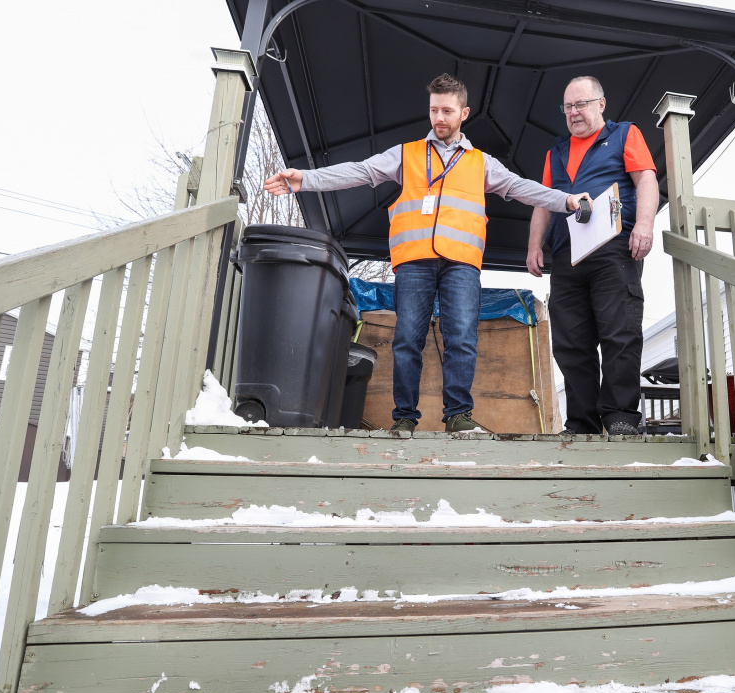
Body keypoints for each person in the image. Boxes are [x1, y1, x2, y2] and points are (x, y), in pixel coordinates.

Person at [265, 73, 589, 434]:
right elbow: (359, 171)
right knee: (407, 339)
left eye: (447, 111)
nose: (439, 118)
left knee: (462, 338)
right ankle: (404, 417)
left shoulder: (482, 162)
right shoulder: (407, 154)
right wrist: (306, 180)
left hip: (462, 264)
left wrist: (565, 200)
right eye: (434, 109)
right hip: (414, 261)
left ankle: (458, 416)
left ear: (464, 113)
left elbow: (522, 188)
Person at [526, 76, 659, 435]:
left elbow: (646, 179)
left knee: (620, 332)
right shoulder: (555, 153)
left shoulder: (624, 135)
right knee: (571, 341)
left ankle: (619, 418)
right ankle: (581, 423)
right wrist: (534, 245)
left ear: (601, 104)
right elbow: (542, 202)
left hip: (614, 247)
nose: (574, 113)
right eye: (568, 107)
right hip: (567, 256)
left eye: (581, 104)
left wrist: (643, 226)